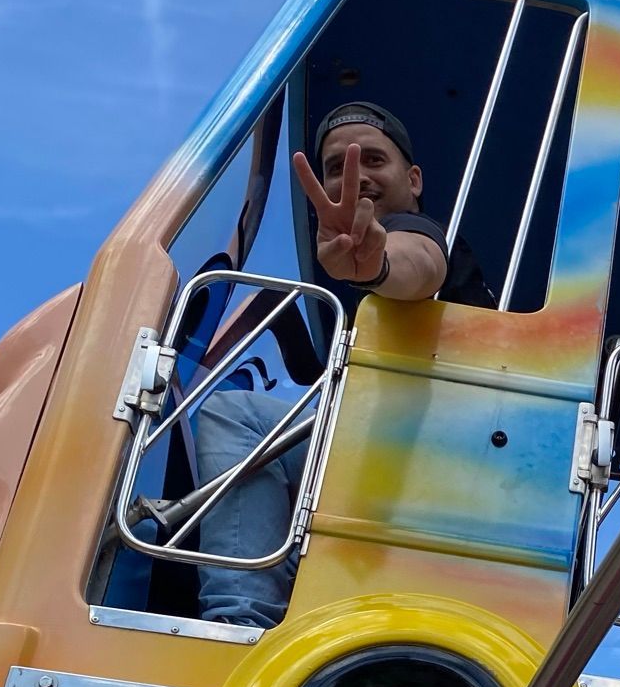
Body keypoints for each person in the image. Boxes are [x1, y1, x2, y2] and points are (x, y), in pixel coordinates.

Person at [196, 102, 494, 628]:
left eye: (373, 160)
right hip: (394, 456)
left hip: (433, 460)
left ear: (415, 178)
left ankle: (238, 617)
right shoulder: (368, 302)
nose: (357, 177)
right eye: (336, 168)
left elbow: (418, 266)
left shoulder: (418, 234)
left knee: (234, 415)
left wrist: (375, 266)